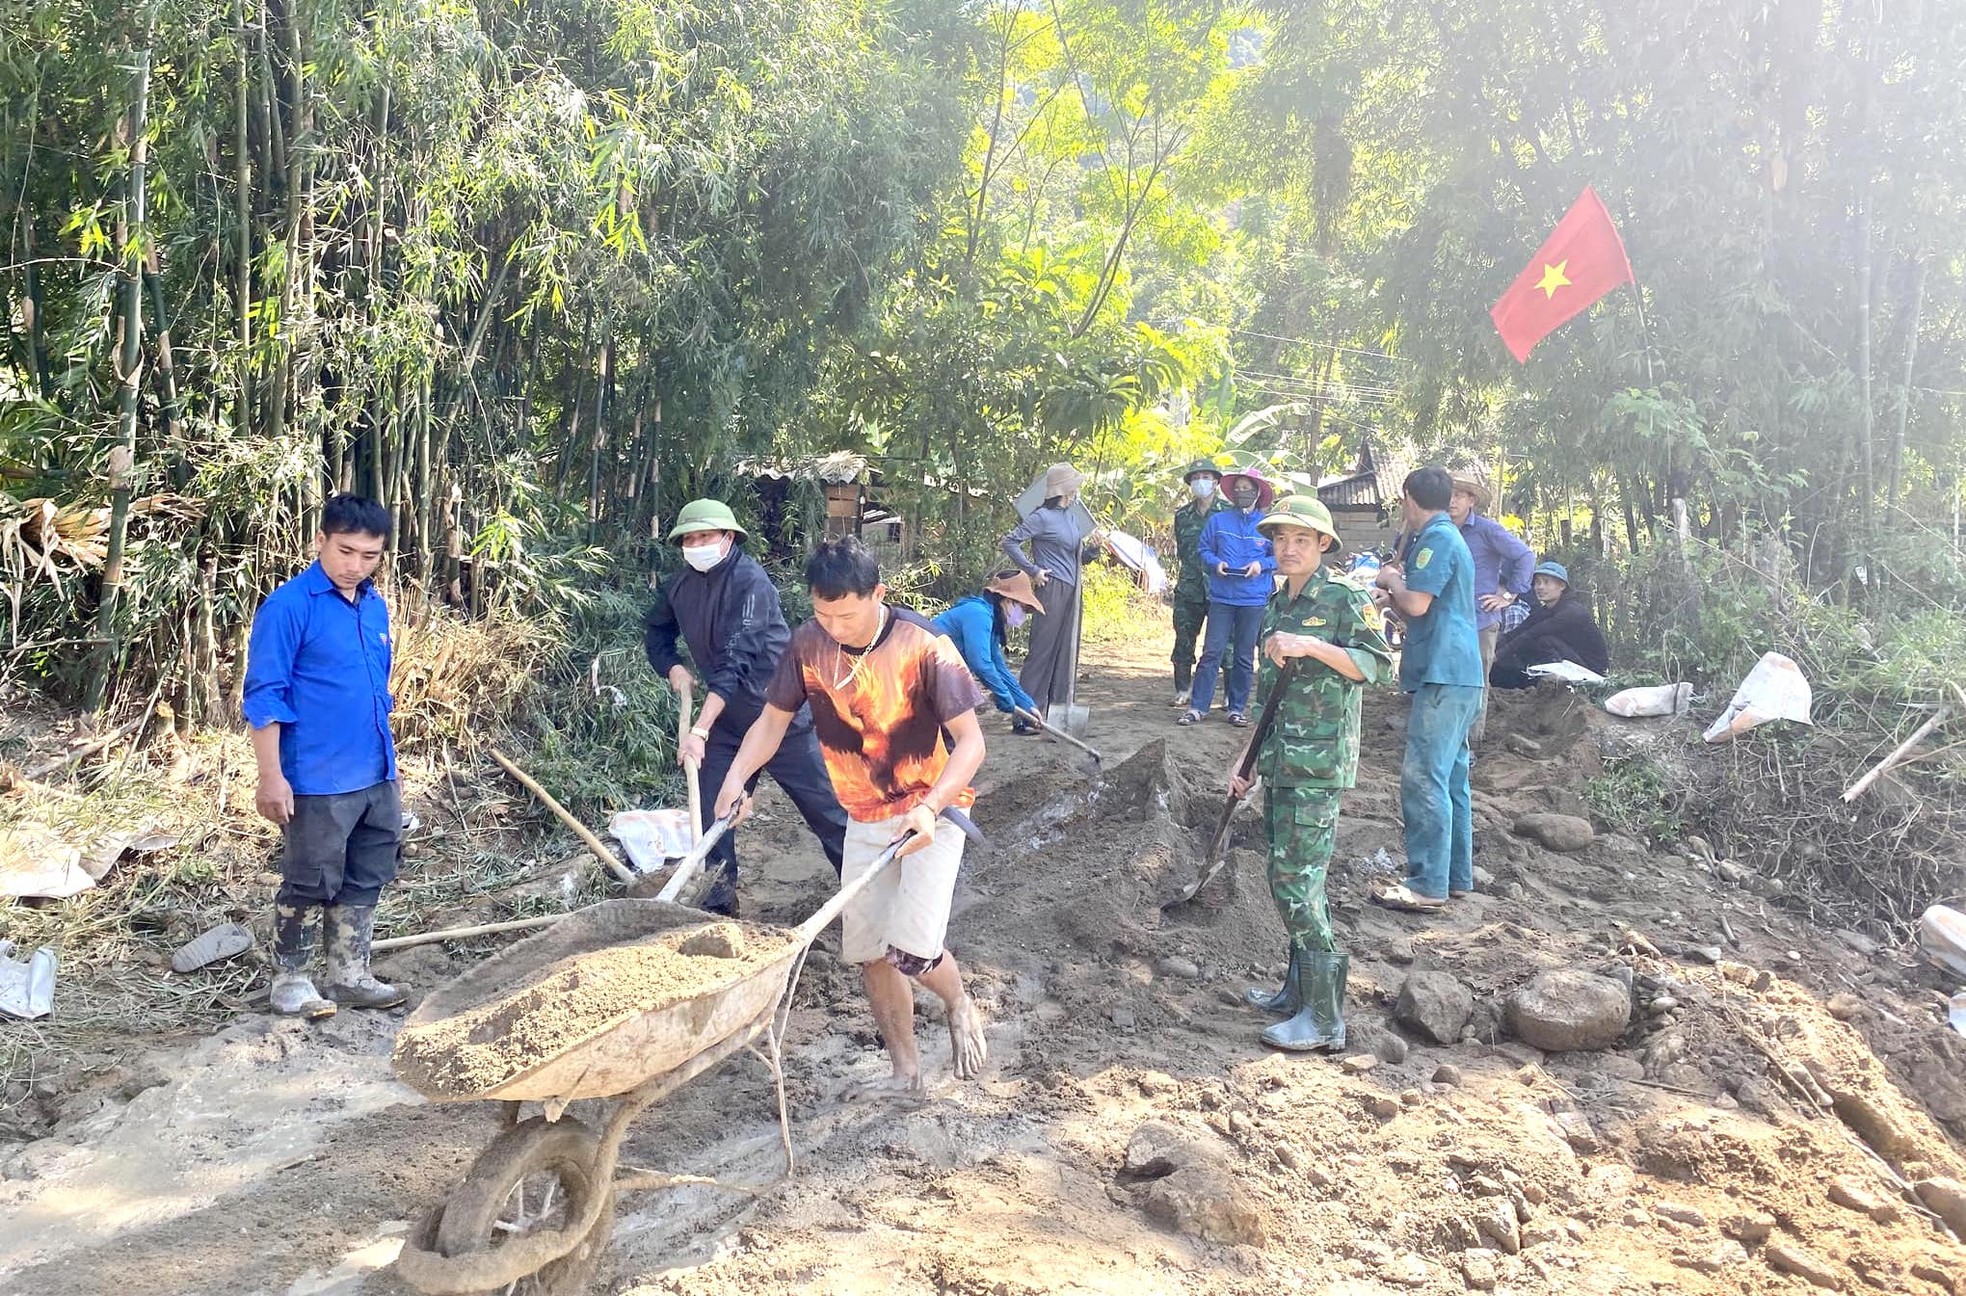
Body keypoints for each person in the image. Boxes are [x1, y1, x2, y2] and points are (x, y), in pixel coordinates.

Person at [717, 537, 989, 1100]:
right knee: (870, 954)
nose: (834, 626)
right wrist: (737, 777)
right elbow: (771, 724)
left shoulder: (924, 645)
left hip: (930, 812)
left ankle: (958, 997)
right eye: (822, 613)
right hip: (864, 814)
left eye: (846, 614)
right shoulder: (806, 646)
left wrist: (931, 806)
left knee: (912, 952)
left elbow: (971, 744)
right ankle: (905, 1073)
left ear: (877, 595)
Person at [1232, 496, 1392, 1051]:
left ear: (1324, 544)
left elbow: (1378, 665)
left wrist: (1314, 645)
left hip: (1320, 764)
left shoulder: (1344, 597)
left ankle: (1325, 1018)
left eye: (1301, 539)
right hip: (1280, 759)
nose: (1289, 548)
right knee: (1292, 877)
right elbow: (1265, 695)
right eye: (1280, 539)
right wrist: (1246, 759)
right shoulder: (1278, 604)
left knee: (1295, 882)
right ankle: (1296, 990)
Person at [242, 493, 407, 1017]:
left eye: (370, 556)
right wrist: (271, 776)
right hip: (316, 774)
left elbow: (375, 684)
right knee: (310, 879)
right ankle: (290, 980)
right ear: (320, 542)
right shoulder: (289, 607)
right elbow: (265, 696)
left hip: (376, 770)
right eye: (346, 551)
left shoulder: (374, 605)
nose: (356, 566)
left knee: (367, 872)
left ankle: (349, 974)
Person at [643, 498, 849, 916]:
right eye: (690, 538)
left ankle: (866, 893)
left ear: (729, 537)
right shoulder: (679, 587)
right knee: (714, 815)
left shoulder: (751, 582)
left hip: (782, 717)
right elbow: (654, 629)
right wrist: (672, 667)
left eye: (706, 536)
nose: (697, 544)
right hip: (729, 722)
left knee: (827, 811)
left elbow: (735, 661)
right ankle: (718, 910)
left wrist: (698, 730)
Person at [1371, 466, 1485, 913]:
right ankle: (1455, 877)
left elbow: (1416, 601)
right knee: (1453, 777)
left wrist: (1390, 581)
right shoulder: (1450, 538)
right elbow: (1428, 610)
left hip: (1444, 673)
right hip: (1460, 672)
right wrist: (1396, 599)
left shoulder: (1436, 539)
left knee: (1423, 776)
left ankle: (1426, 883)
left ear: (1408, 499)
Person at [1000, 463, 1103, 716]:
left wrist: (1093, 550)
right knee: (1042, 650)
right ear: (1066, 490)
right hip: (1052, 588)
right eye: (1075, 487)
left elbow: (1077, 557)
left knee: (1067, 651)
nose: (1077, 491)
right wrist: (1033, 570)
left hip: (1073, 589)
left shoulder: (1071, 517)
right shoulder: (1041, 517)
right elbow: (1010, 542)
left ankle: (1059, 712)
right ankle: (1027, 714)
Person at [1180, 466, 1276, 728]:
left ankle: (1236, 709)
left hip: (1254, 599)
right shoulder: (1218, 521)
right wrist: (1216, 563)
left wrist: (1261, 566)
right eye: (1239, 489)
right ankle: (1198, 707)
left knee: (1245, 656)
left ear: (1257, 493)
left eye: (1248, 489)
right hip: (1222, 597)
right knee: (1211, 652)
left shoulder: (1268, 526)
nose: (1242, 493)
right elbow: (1203, 549)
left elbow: (1279, 557)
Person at [1448, 465, 1533, 747]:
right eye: (1448, 494)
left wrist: (1508, 595)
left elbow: (1525, 557)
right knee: (1445, 682)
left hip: (1480, 621)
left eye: (1460, 495)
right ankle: (1446, 740)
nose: (1452, 500)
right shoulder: (1436, 531)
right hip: (1445, 622)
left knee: (1475, 684)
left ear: (1471, 500)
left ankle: (1471, 745)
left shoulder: (1487, 531)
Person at [932, 570, 1045, 734]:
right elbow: (981, 664)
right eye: (1023, 608)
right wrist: (1003, 696)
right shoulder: (979, 614)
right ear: (1008, 601)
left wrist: (1026, 704)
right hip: (925, 671)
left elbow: (999, 667)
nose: (1023, 615)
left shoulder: (991, 623)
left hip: (942, 676)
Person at [1490, 561, 1609, 688]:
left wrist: (1497, 656)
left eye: (1546, 582)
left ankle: (1554, 684)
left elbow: (1532, 634)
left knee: (1543, 641)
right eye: (1537, 582)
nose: (1540, 587)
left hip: (1591, 671)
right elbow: (1516, 633)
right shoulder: (1545, 610)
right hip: (1569, 660)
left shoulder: (1571, 612)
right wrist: (1488, 648)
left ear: (1562, 586)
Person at [1169, 459, 1227, 707]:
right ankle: (1183, 690)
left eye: (1205, 476)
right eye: (1195, 477)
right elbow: (1183, 550)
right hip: (1189, 586)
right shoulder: (1182, 515)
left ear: (1215, 481)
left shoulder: (1228, 513)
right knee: (1184, 637)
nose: (1200, 482)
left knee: (1225, 642)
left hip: (1221, 586)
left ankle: (1227, 695)